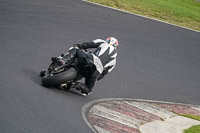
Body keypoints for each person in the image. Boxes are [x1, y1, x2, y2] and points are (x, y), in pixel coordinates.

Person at [52, 37, 118, 96]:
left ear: (107, 40)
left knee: (76, 50)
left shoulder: (104, 43)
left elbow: (89, 44)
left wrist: (80, 46)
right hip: (97, 71)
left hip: (91, 58)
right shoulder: (114, 62)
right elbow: (103, 74)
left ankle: (63, 60)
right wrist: (92, 78)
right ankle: (75, 84)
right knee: (88, 90)